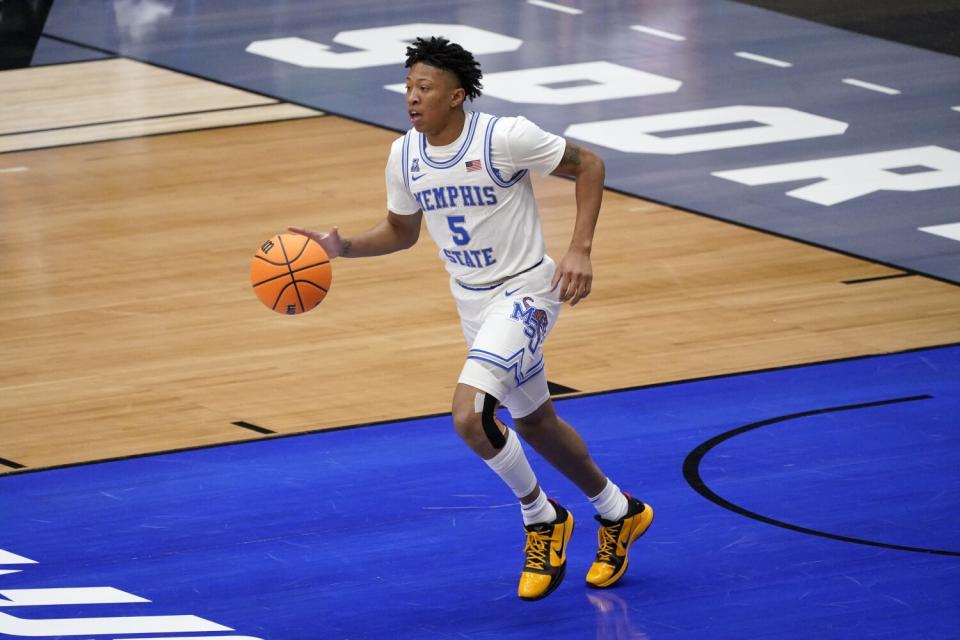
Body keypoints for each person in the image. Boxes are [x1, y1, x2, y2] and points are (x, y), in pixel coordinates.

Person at [290, 36, 653, 601]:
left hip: (528, 291)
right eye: (408, 87)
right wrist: (342, 248)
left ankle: (542, 518)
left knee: (468, 416)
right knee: (533, 424)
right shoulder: (404, 154)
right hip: (473, 303)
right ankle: (619, 510)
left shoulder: (503, 137)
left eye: (424, 88)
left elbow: (591, 165)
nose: (411, 98)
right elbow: (402, 231)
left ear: (456, 95)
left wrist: (580, 248)